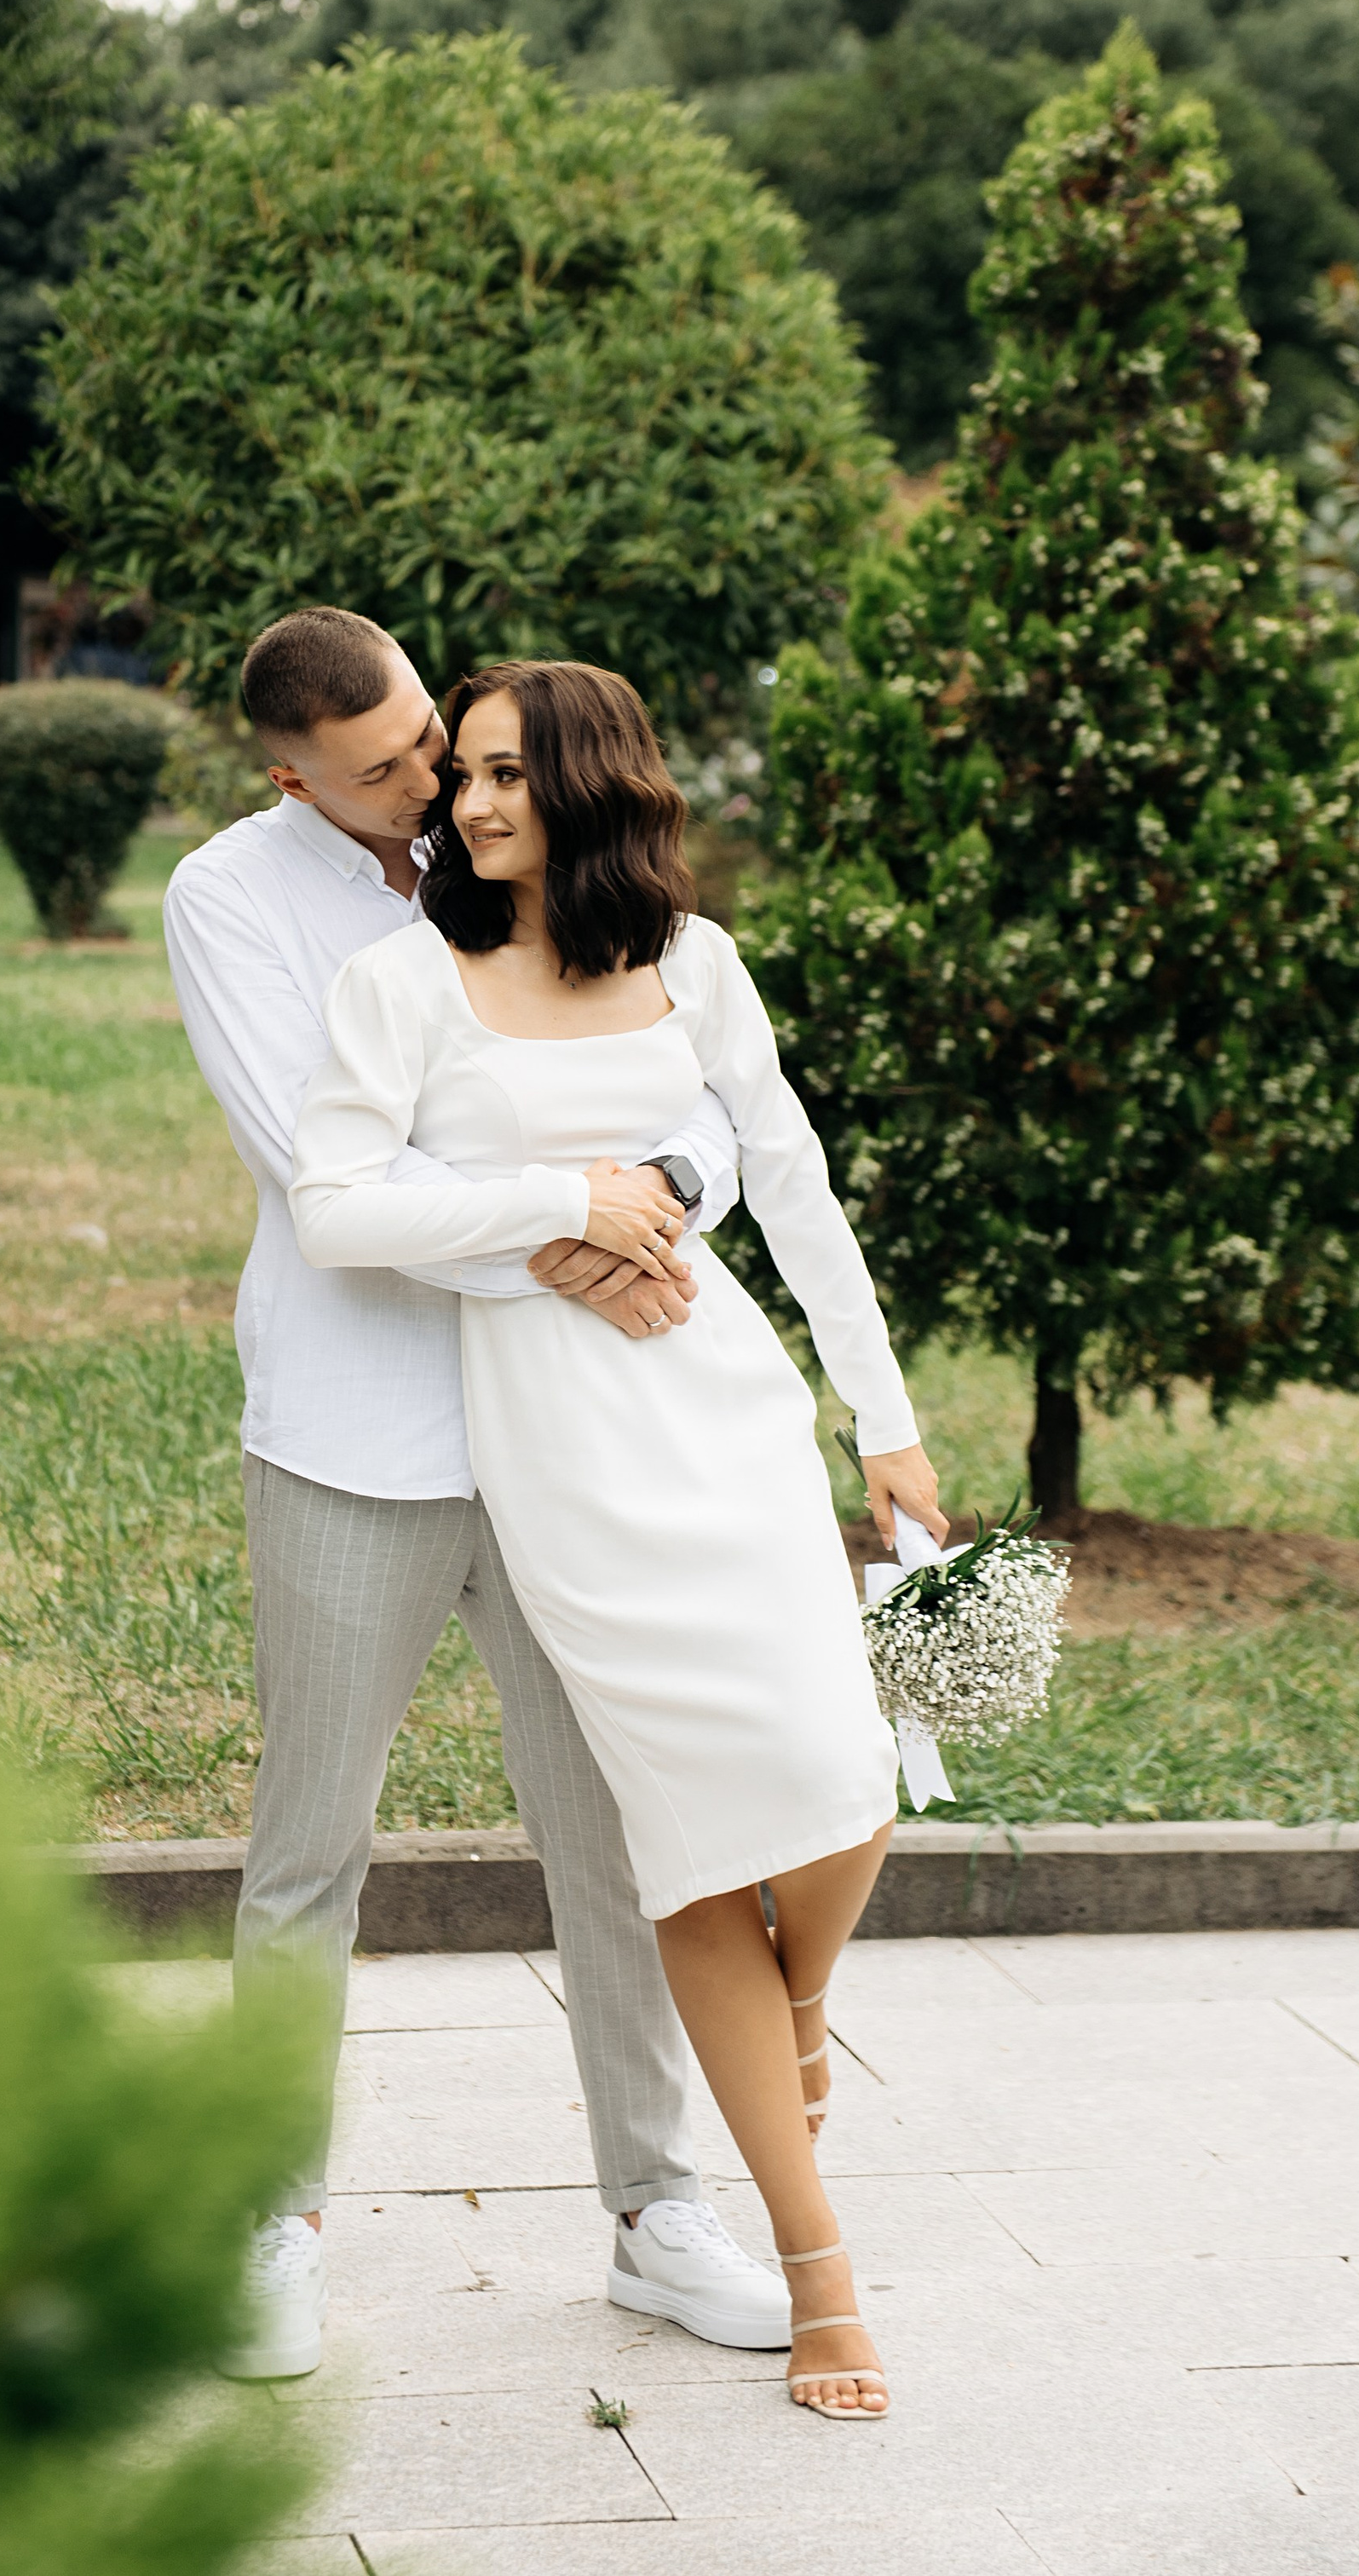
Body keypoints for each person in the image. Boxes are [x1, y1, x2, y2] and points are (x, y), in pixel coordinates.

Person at [289, 659, 948, 2421]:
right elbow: (337, 1209)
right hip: (561, 1452)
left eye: (507, 775)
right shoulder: (400, 980)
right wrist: (553, 1218)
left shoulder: (696, 965)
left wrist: (878, 1422)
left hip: (719, 1407)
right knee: (691, 1843)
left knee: (846, 1777)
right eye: (464, 778)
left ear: (593, 787)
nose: (471, 804)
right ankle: (818, 2277)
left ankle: (797, 2013)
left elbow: (785, 1178)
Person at [164, 608, 799, 2383]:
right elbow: (326, 1180)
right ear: (289, 773)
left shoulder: (506, 825)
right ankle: (267, 2217)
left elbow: (687, 1086)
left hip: (571, 1426)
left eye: (430, 750)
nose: (428, 792)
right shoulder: (227, 898)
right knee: (307, 1846)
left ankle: (655, 2206)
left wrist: (649, 1192)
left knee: (612, 1828)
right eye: (381, 776)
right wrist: (571, 1220)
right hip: (351, 1437)